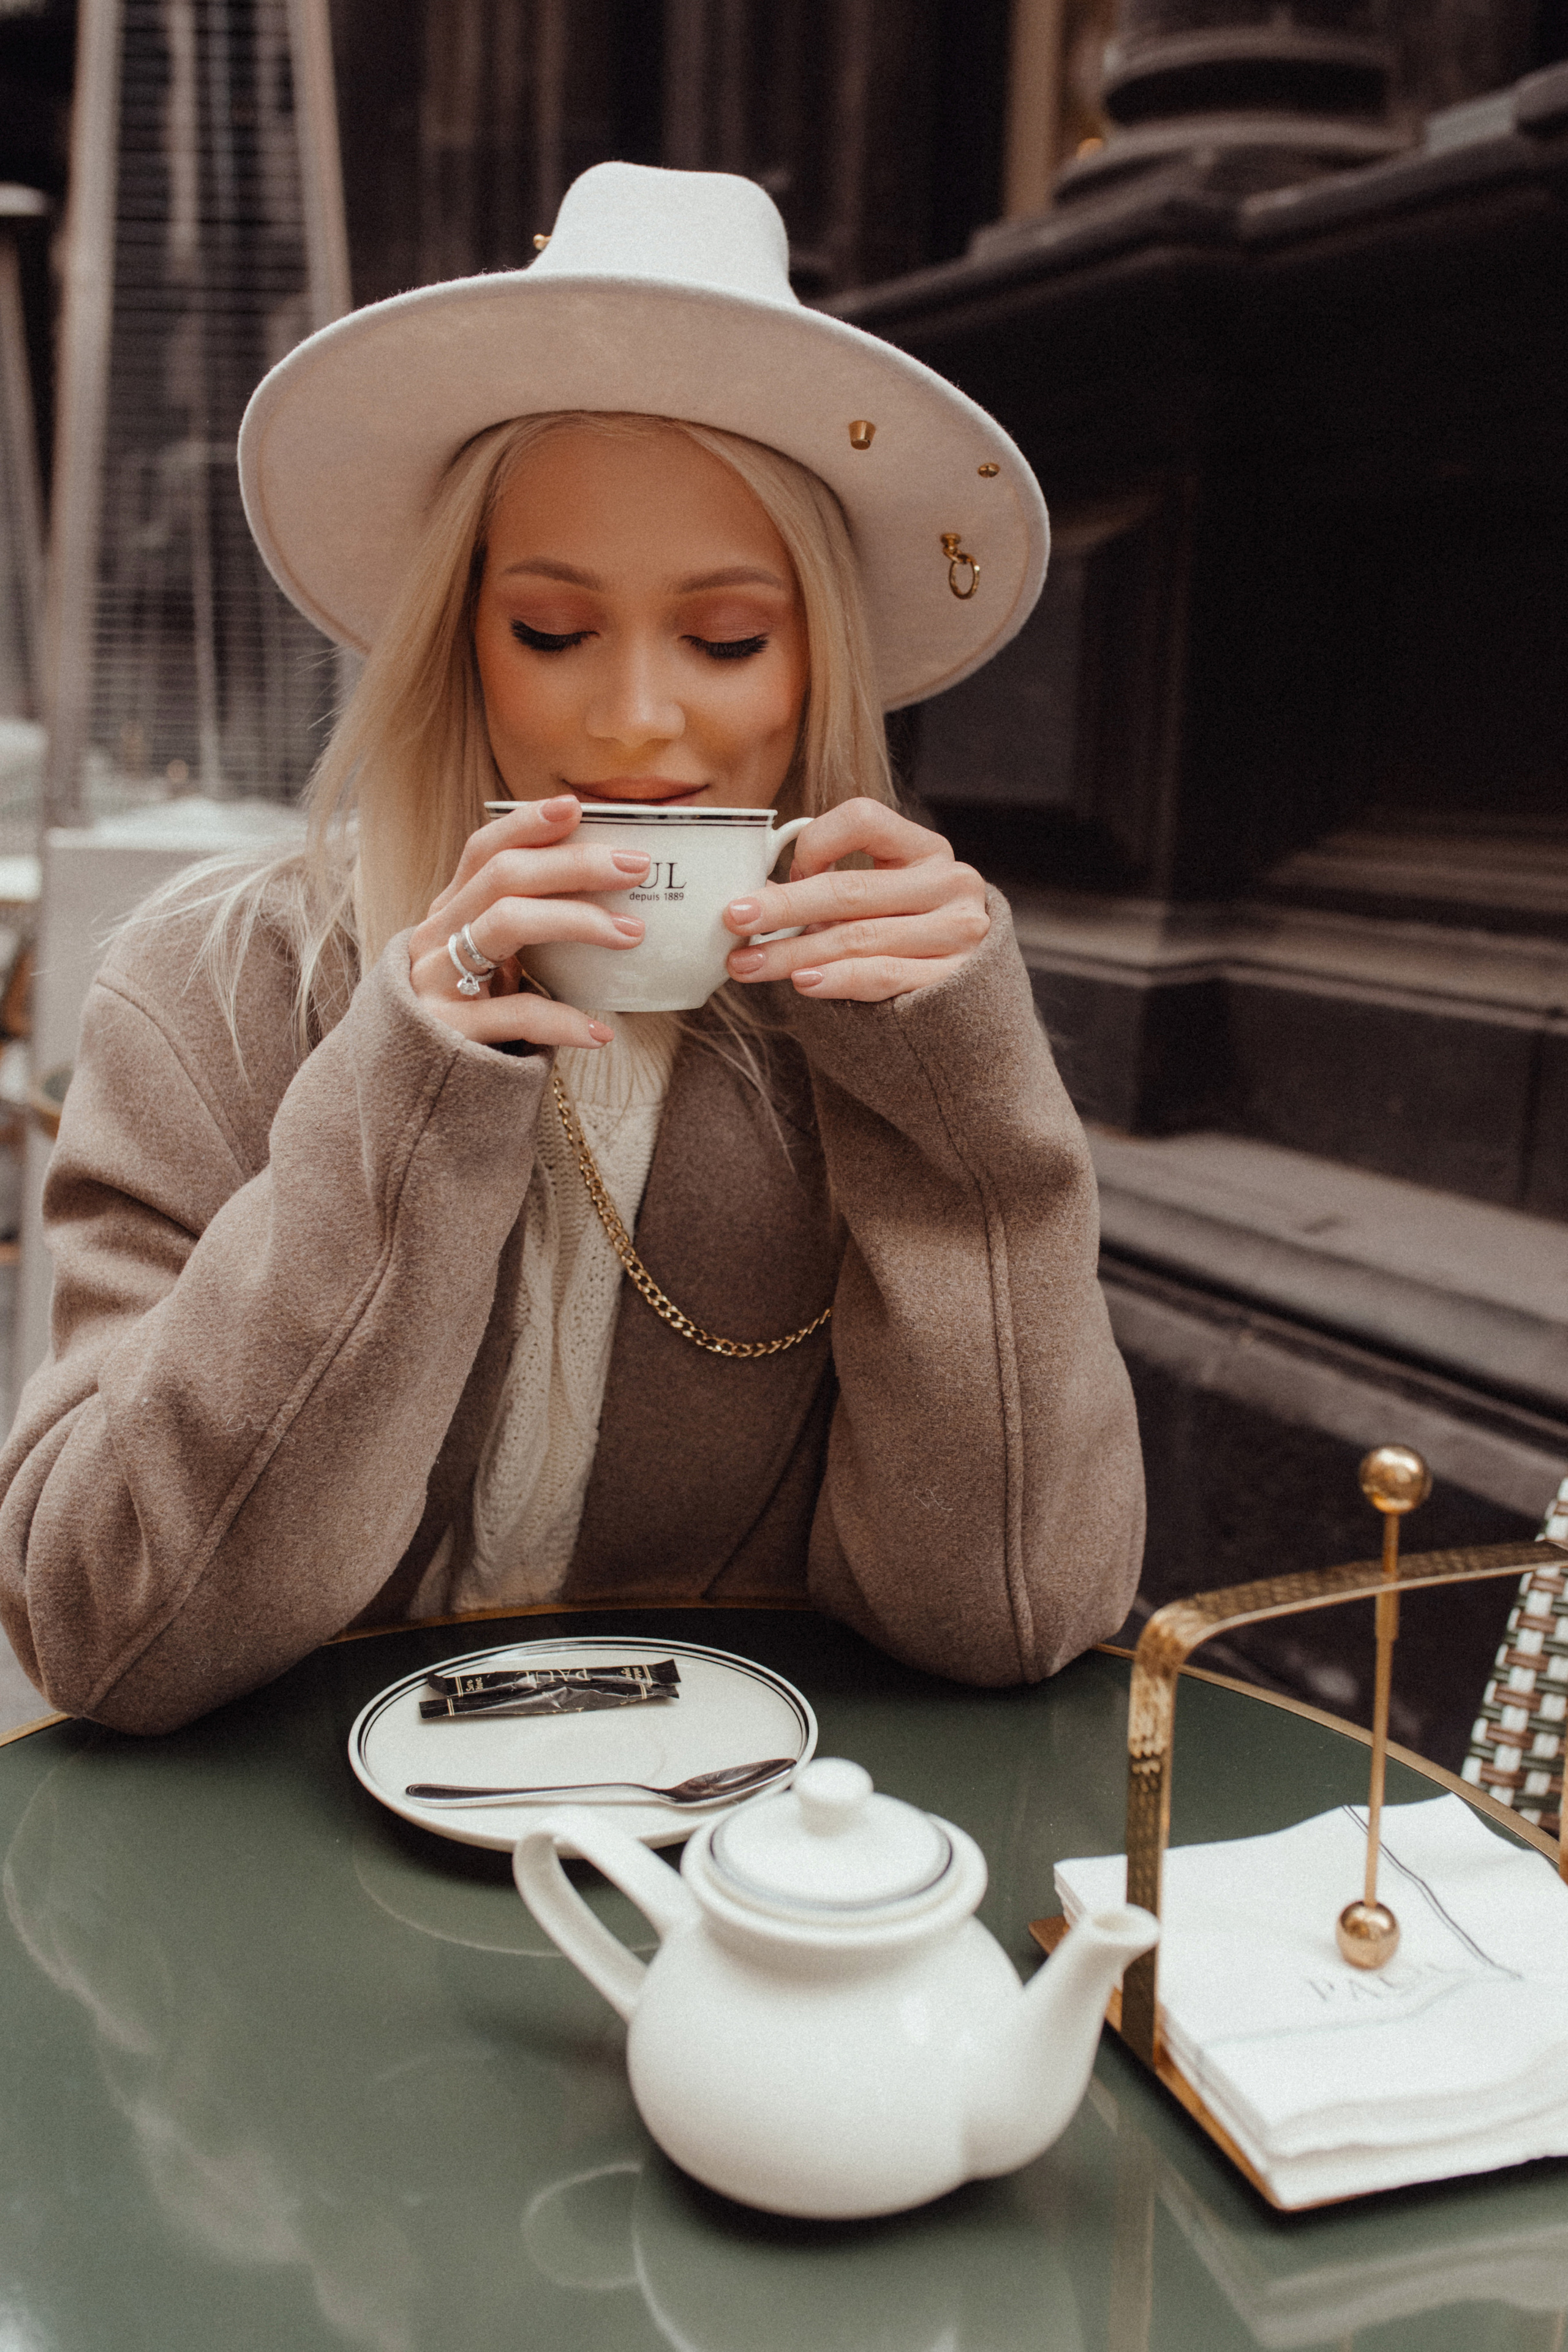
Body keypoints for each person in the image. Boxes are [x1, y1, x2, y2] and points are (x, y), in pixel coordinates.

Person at [0, 164, 1143, 1734]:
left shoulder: (889, 1017)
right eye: (550, 629)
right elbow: (100, 1630)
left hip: (731, 1882)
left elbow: (1008, 1619)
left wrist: (962, 1120)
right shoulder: (219, 981)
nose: (631, 720)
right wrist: (408, 1087)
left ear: (819, 666)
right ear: (459, 634)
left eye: (728, 638)